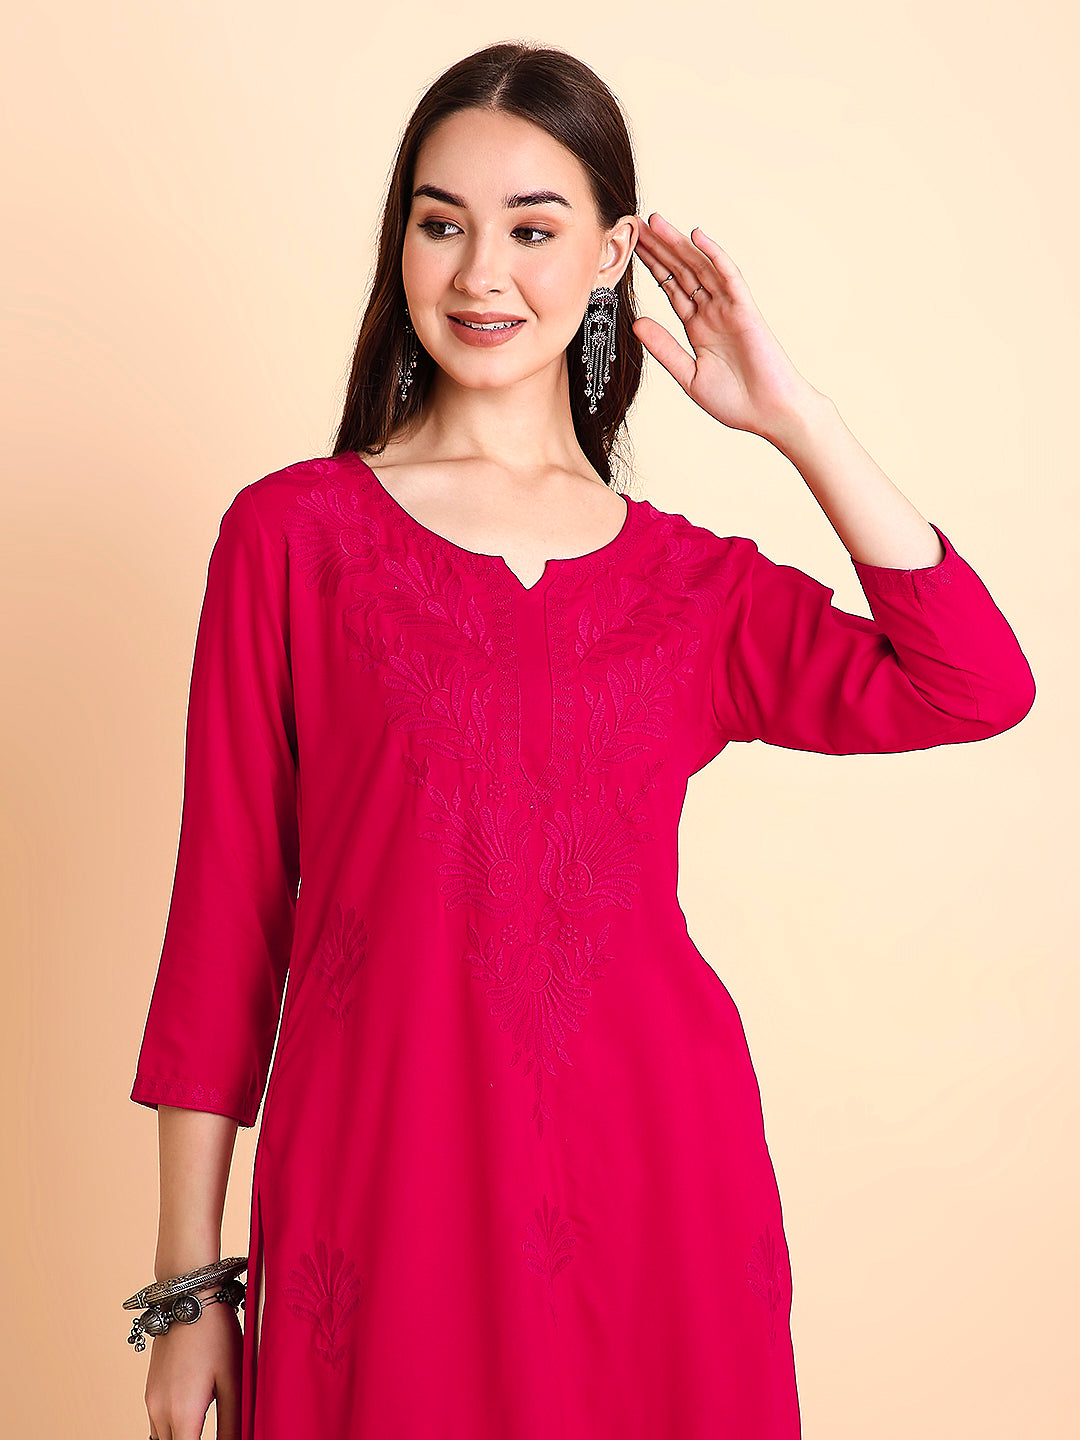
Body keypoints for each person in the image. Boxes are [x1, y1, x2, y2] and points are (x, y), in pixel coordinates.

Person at [127, 39, 1036, 1440]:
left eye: (534, 230)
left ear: (612, 255)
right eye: (442, 224)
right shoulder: (293, 540)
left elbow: (972, 684)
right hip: (383, 1202)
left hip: (659, 1194)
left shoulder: (691, 588)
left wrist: (794, 419)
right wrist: (190, 1286)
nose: (480, 273)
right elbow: (224, 921)